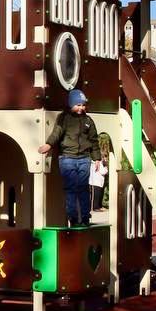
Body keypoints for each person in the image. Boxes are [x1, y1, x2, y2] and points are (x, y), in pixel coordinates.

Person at [38, 89, 98, 227]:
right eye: (78, 105)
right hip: (67, 158)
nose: (81, 108)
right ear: (71, 104)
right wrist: (49, 144)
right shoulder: (64, 118)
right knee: (71, 188)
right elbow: (57, 133)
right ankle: (73, 217)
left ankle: (85, 217)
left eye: (83, 105)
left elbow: (94, 140)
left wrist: (97, 158)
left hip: (84, 158)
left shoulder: (88, 121)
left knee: (83, 188)